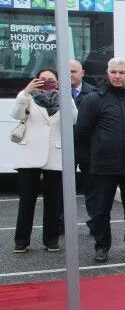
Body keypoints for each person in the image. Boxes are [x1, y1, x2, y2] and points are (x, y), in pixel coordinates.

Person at [76, 58, 125, 263]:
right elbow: (82, 133)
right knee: (101, 210)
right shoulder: (93, 100)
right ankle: (101, 246)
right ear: (107, 73)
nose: (117, 76)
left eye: (122, 72)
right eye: (114, 72)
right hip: (103, 166)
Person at [11, 69, 75, 253]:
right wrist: (26, 92)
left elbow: (73, 119)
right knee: (26, 200)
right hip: (29, 154)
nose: (47, 83)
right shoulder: (27, 96)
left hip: (54, 154)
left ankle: (51, 239)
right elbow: (15, 114)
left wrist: (66, 95)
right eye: (43, 79)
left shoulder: (63, 98)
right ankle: (21, 241)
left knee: (53, 201)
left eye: (52, 80)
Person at [69, 59, 97, 234]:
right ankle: (60, 223)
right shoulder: (55, 92)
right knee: (62, 188)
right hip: (64, 149)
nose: (70, 74)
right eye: (66, 71)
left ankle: (95, 223)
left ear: (82, 73)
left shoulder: (94, 93)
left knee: (92, 189)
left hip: (88, 148)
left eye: (73, 71)